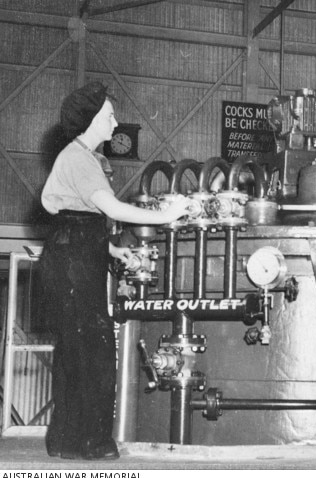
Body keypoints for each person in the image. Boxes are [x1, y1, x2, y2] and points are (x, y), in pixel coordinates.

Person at [39, 81, 191, 460]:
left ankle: (65, 440)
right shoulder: (79, 158)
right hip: (73, 260)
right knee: (95, 349)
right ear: (91, 120)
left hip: (72, 252)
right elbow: (112, 210)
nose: (115, 120)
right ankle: (91, 442)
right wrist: (165, 214)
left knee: (74, 349)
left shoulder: (80, 157)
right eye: (109, 115)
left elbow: (78, 220)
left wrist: (111, 251)